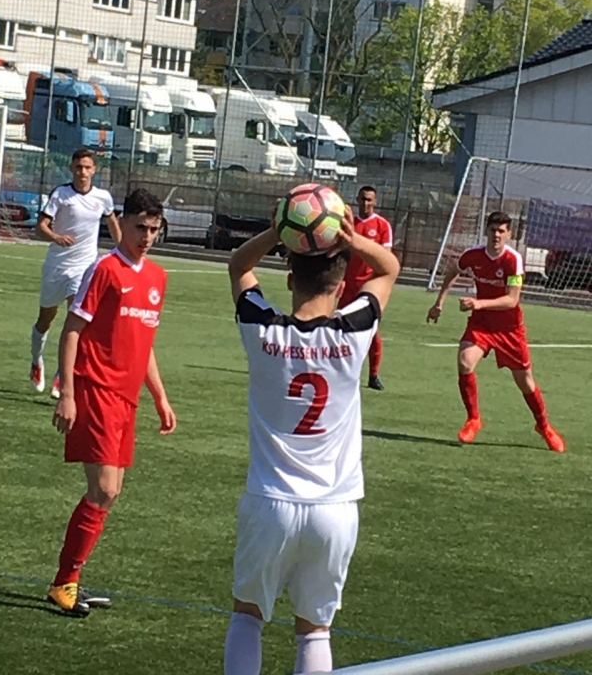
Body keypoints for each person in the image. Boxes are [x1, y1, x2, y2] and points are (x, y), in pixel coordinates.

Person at [224, 207, 399, 674]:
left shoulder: (262, 329)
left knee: (247, 618)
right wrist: (352, 239)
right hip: (334, 509)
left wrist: (276, 230)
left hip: (270, 502)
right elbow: (389, 269)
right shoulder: (355, 332)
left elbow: (238, 267)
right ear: (341, 287)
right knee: (315, 630)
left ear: (289, 278)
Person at [47, 188, 177, 616]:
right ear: (122, 222)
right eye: (140, 227)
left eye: (154, 229)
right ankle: (64, 581)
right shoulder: (104, 269)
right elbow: (72, 330)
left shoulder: (157, 277)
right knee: (103, 488)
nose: (147, 237)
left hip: (126, 398)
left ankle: (69, 579)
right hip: (96, 390)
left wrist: (160, 398)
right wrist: (68, 393)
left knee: (111, 492)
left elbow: (145, 343)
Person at [426, 210, 565, 452]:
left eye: (501, 231)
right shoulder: (473, 255)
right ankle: (473, 419)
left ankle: (543, 426)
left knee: (526, 382)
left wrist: (478, 303)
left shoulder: (513, 260)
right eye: (493, 230)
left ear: (509, 234)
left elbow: (512, 300)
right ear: (486, 231)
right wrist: (439, 302)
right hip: (482, 324)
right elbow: (453, 271)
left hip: (510, 329)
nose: (496, 235)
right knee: (465, 361)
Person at [30, 148, 121, 398]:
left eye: (87, 167)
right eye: (79, 167)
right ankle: (36, 360)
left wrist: (123, 251)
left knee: (76, 321)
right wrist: (56, 237)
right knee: (45, 319)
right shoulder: (61, 194)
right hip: (56, 266)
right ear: (72, 168)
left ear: (94, 170)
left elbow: (112, 223)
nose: (82, 172)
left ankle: (62, 375)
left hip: (84, 268)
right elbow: (41, 227)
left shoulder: (103, 197)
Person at [338, 185, 394, 391]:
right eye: (362, 199)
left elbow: (386, 257)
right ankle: (340, 370)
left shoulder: (382, 225)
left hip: (369, 287)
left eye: (369, 199)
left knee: (372, 331)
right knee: (338, 327)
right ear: (357, 199)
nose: (366, 203)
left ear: (375, 202)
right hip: (347, 285)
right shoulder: (348, 223)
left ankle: (373, 375)